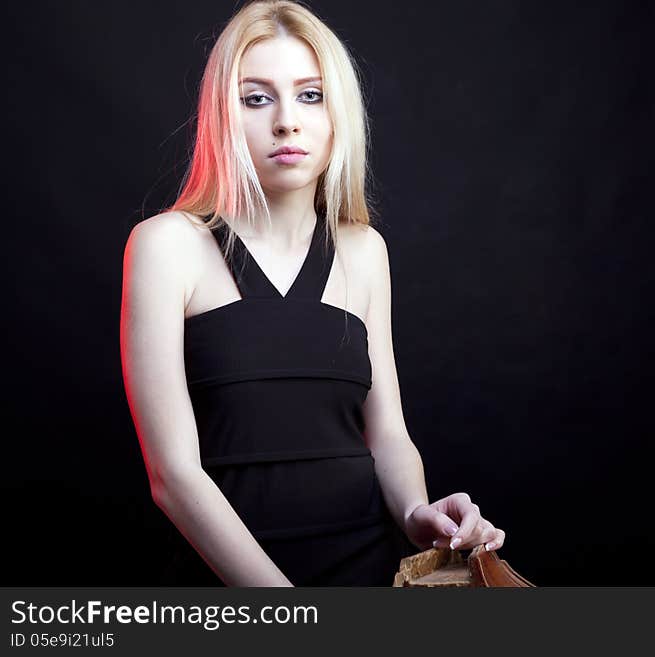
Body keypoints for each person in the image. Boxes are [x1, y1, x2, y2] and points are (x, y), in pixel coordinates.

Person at [120, 0, 506, 586]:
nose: (286, 121)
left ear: (336, 115)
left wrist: (415, 513)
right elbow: (172, 475)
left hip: (365, 569)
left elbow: (389, 436)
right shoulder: (165, 246)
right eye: (256, 97)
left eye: (310, 94)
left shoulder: (364, 250)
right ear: (223, 115)